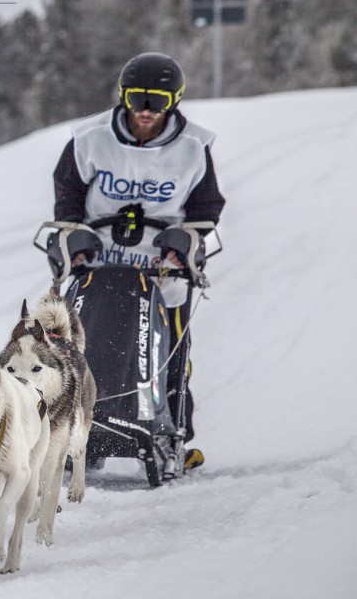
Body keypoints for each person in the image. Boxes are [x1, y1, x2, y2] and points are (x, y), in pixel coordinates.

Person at [51, 52, 226, 473]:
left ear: (174, 100)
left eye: (158, 101)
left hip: (163, 264)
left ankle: (170, 433)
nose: (146, 111)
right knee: (80, 343)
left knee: (171, 348)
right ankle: (73, 427)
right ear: (123, 96)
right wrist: (73, 235)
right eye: (137, 98)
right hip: (98, 258)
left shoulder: (193, 147)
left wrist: (185, 240)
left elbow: (206, 206)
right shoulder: (89, 137)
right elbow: (67, 195)